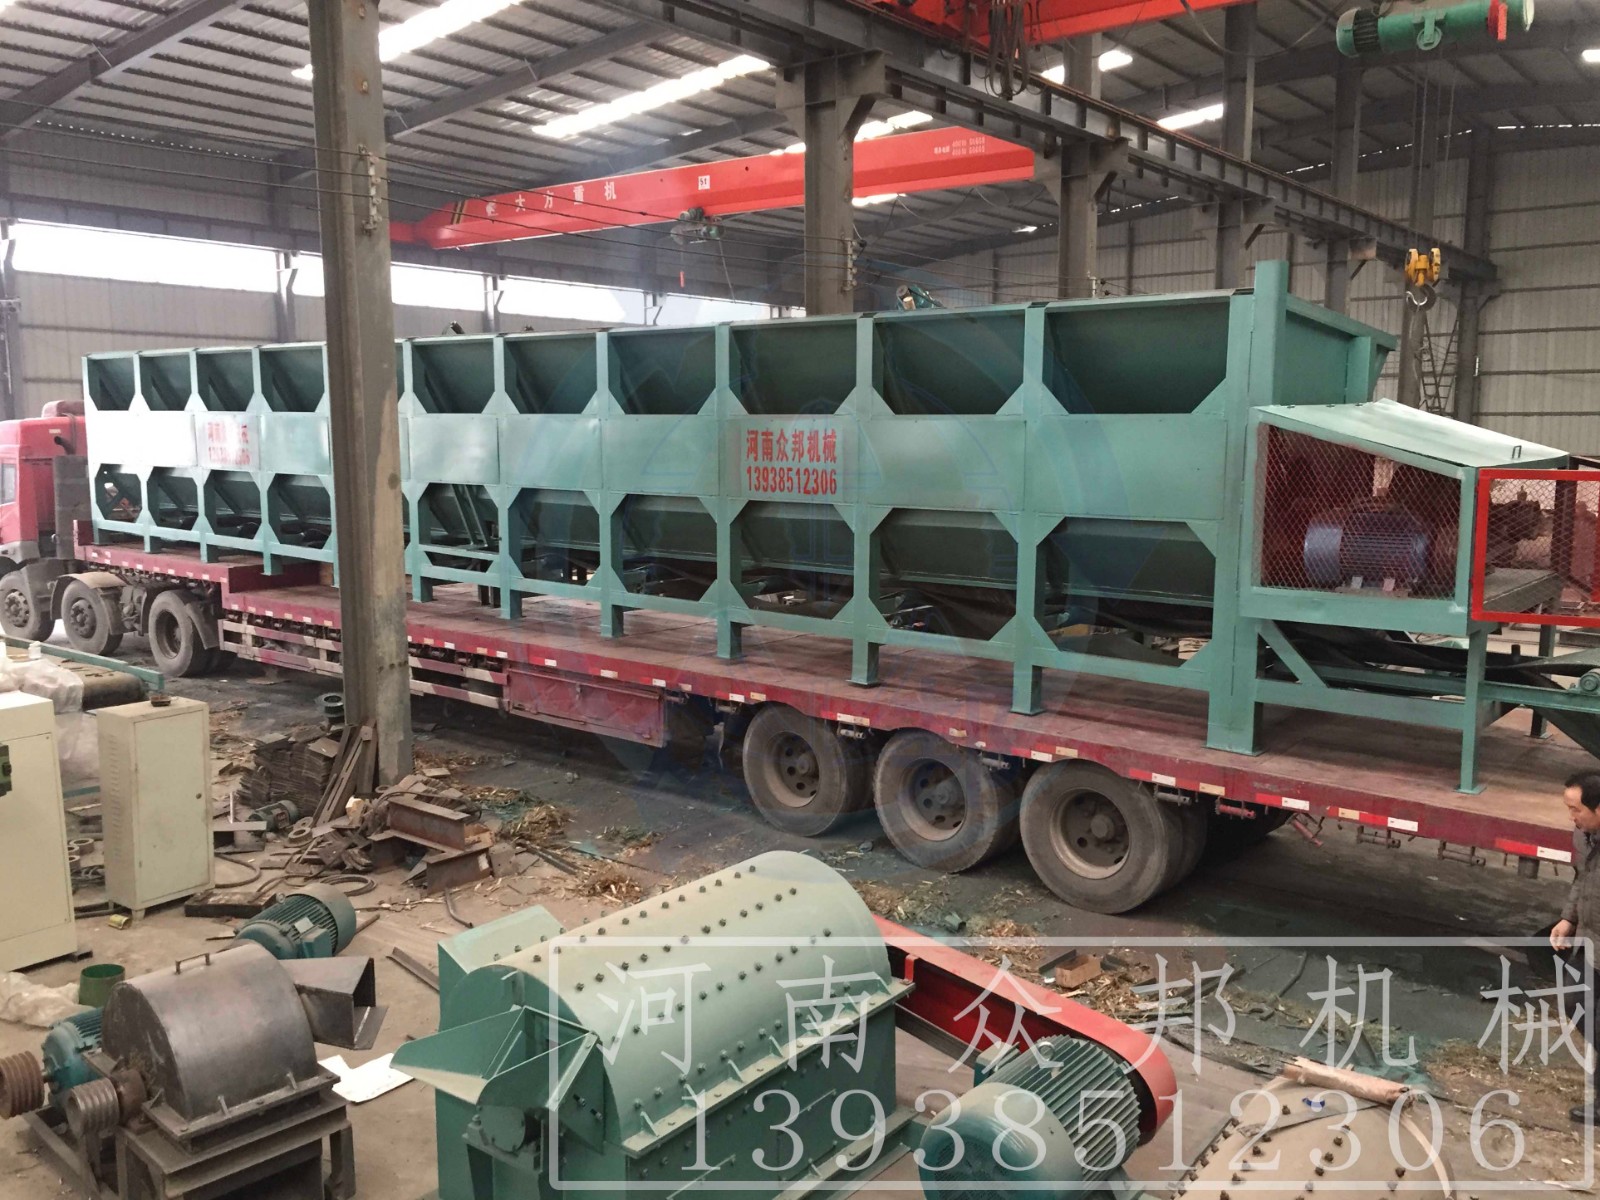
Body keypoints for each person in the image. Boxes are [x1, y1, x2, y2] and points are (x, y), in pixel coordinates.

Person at [1552, 770, 1600, 1123]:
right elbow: (1582, 878)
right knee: (1575, 1000)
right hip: (1591, 940)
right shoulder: (1585, 837)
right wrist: (1568, 918)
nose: (1572, 817)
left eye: (1577, 809)